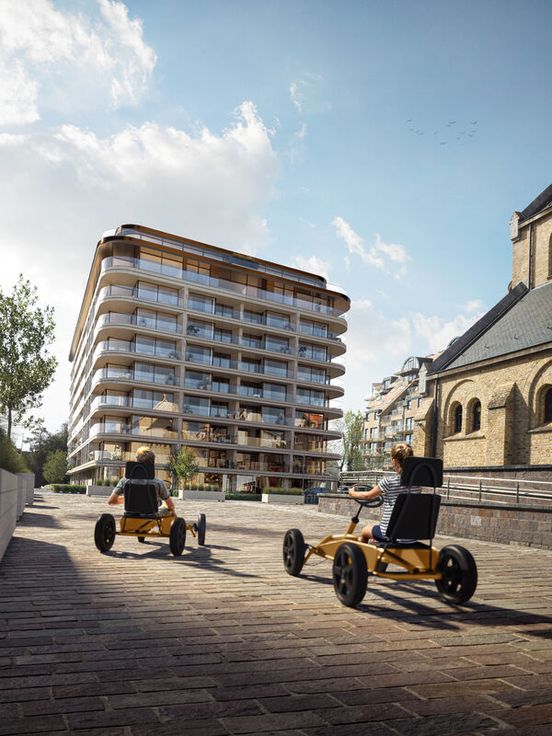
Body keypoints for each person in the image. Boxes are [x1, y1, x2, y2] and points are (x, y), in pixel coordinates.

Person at [348, 442, 418, 543]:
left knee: (365, 531)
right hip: (411, 535)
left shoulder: (388, 482)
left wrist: (352, 493)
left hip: (389, 533)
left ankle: (362, 553)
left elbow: (367, 496)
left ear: (394, 461)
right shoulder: (417, 483)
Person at [107, 446, 176, 518]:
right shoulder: (158, 483)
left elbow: (111, 501)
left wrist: (130, 499)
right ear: (152, 463)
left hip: (130, 514)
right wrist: (173, 513)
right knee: (168, 508)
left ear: (137, 461)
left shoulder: (125, 481)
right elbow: (170, 505)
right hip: (151, 514)